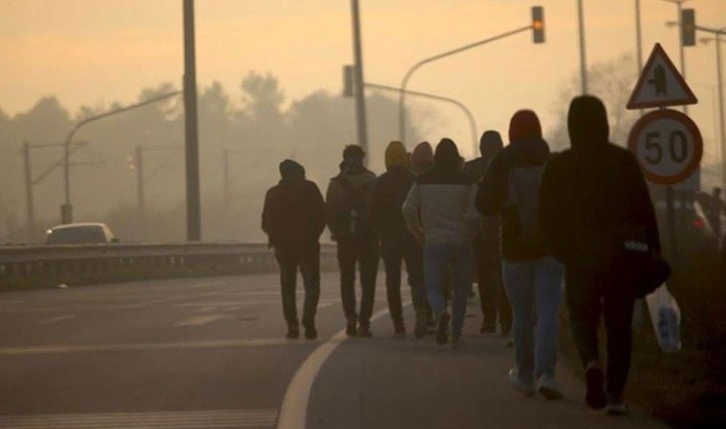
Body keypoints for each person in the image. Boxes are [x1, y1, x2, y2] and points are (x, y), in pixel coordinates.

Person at [538, 95, 662, 414]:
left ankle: (591, 362)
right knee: (619, 323)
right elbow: (644, 211)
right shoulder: (622, 161)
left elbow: (546, 216)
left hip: (579, 256)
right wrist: (653, 252)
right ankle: (616, 395)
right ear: (604, 122)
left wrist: (560, 250)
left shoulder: (560, 165)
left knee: (582, 316)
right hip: (622, 256)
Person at [477, 110, 564, 400]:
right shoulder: (551, 160)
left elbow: (483, 204)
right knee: (548, 310)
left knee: (523, 313)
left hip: (514, 249)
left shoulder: (502, 161)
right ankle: (547, 374)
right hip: (551, 247)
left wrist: (504, 207)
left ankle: (524, 375)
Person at [403, 138, 478, 348]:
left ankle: (440, 311)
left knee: (433, 287)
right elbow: (475, 211)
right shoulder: (466, 180)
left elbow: (407, 209)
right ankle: (456, 334)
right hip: (461, 240)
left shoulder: (423, 179)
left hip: (433, 241)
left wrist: (417, 231)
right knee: (461, 289)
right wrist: (470, 232)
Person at [261, 159, 326, 340]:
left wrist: (276, 237)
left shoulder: (273, 193)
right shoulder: (310, 189)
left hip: (283, 247)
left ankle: (292, 326)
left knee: (288, 287)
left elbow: (266, 222)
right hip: (308, 245)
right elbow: (322, 214)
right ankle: (308, 320)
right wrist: (314, 234)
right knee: (312, 285)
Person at [371, 141, 427, 338]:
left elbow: (373, 213)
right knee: (417, 276)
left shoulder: (379, 183)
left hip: (389, 238)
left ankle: (398, 323)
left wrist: (378, 234)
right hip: (412, 236)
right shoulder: (415, 180)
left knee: (392, 280)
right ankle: (421, 312)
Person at [326, 145, 379, 338]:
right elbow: (379, 211)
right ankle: (364, 323)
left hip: (345, 240)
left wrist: (336, 233)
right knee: (368, 281)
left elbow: (329, 213)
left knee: (347, 280)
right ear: (363, 159)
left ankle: (350, 317)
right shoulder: (373, 181)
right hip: (369, 239)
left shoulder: (335, 184)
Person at [464, 131, 512, 336]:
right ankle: (506, 320)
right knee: (504, 277)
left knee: (484, 277)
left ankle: (489, 320)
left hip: (479, 231)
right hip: (504, 228)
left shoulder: (471, 168)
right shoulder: (508, 166)